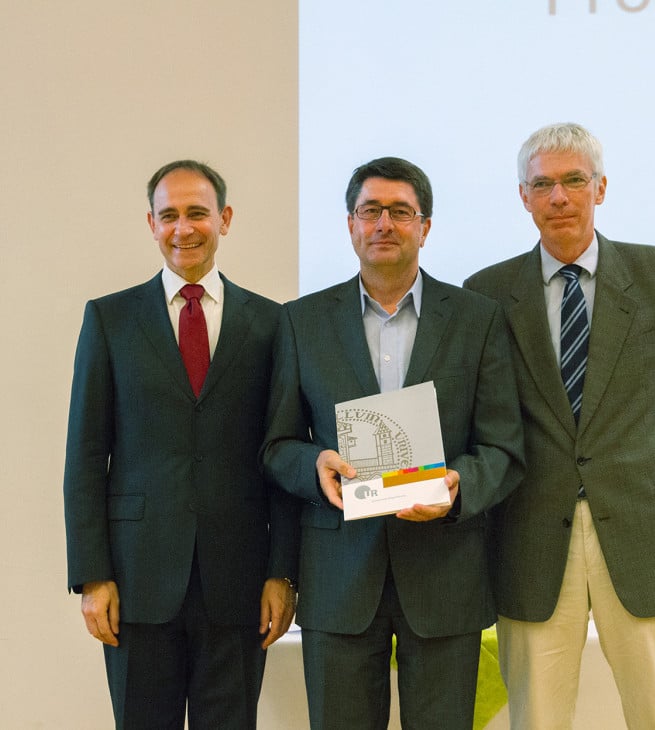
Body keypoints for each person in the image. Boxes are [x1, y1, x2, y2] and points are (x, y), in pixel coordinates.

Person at [464, 122, 655, 729]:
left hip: (645, 532)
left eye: (574, 180)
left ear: (600, 188)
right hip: (529, 538)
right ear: (523, 197)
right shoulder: (487, 293)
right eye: (542, 184)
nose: (559, 197)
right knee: (537, 719)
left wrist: (647, 483)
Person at [261, 156, 524, 730]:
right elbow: (277, 445)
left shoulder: (478, 319)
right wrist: (316, 464)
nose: (384, 223)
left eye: (400, 212)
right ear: (350, 225)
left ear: (424, 227)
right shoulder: (301, 322)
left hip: (446, 573)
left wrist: (458, 486)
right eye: (370, 210)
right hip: (338, 577)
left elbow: (505, 448)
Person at [63, 160, 300, 730]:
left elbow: (284, 452)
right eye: (168, 215)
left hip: (239, 579)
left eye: (197, 213)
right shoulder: (109, 319)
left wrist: (282, 572)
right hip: (136, 580)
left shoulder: (273, 324)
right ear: (151, 223)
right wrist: (91, 575)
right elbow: (87, 454)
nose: (183, 228)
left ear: (225, 218)